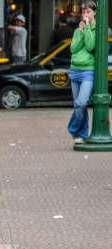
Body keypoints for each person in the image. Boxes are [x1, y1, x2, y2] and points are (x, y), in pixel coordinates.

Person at [68, 1, 97, 145]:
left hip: (88, 70)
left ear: (94, 13)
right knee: (79, 105)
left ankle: (73, 129)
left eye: (88, 12)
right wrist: (80, 31)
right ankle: (81, 134)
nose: (85, 15)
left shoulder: (97, 29)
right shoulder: (78, 30)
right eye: (83, 12)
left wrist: (86, 29)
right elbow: (73, 48)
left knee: (82, 102)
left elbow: (91, 46)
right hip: (75, 69)